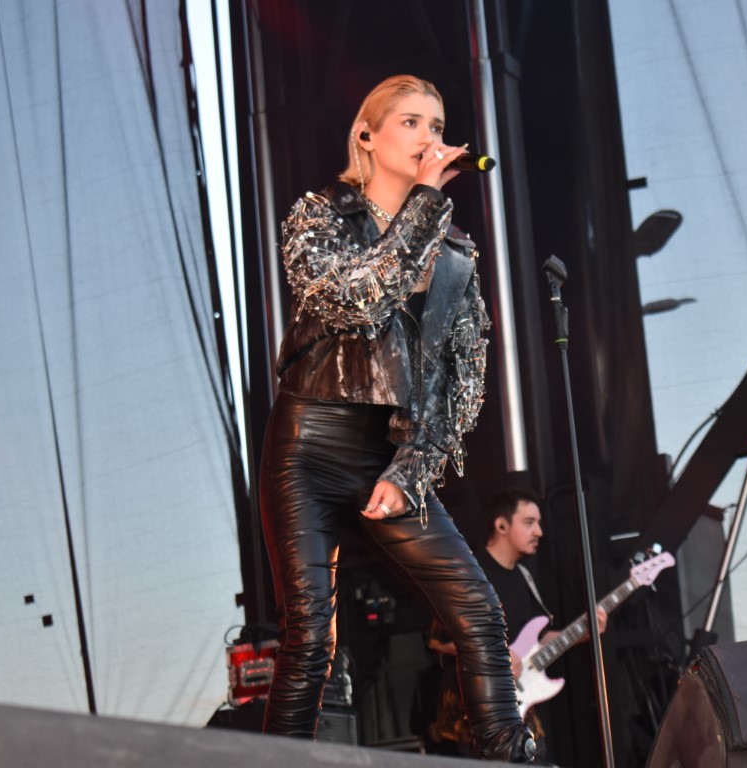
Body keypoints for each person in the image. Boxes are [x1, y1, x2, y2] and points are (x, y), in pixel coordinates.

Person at [258, 74, 537, 762]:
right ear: (367, 135)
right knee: (310, 637)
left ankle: (512, 754)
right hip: (308, 445)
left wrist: (411, 469)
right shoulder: (319, 217)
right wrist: (425, 205)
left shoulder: (455, 256)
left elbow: (456, 384)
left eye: (436, 126)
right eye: (410, 122)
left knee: (479, 609)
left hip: (388, 457)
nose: (428, 137)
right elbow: (358, 301)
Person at [418, 488, 606, 759]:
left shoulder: (524, 576)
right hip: (473, 715)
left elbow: (538, 640)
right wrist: (495, 655)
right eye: (529, 522)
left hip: (520, 712)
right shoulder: (470, 574)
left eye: (539, 523)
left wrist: (583, 632)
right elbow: (438, 640)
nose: (539, 532)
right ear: (502, 526)